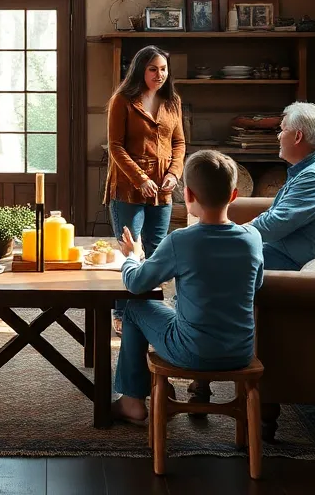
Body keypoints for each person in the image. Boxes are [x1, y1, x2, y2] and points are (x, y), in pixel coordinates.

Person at [112, 150, 264, 424]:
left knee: (135, 308)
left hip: (193, 352)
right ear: (234, 195)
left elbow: (136, 283)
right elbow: (256, 286)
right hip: (240, 351)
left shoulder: (181, 240)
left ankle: (132, 401)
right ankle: (197, 388)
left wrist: (132, 256)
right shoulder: (252, 238)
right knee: (190, 307)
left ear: (189, 195)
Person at [104, 45, 185, 332]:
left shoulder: (172, 100)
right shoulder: (122, 100)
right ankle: (122, 313)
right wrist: (140, 178)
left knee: (156, 250)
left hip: (163, 188)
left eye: (163, 69)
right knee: (131, 250)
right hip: (128, 187)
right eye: (153, 69)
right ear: (140, 69)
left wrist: (175, 174)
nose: (159, 74)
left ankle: (149, 309)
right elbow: (115, 146)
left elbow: (179, 143)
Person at [232, 101, 315, 271]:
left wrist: (229, 235)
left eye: (283, 130)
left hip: (288, 260)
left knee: (213, 253)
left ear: (298, 137)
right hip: (282, 251)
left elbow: (272, 226)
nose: (279, 136)